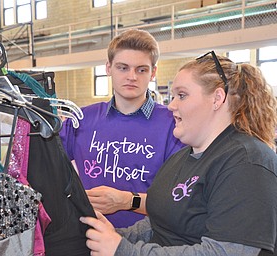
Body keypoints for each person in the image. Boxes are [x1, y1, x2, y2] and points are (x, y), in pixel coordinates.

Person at [79, 51, 277, 255]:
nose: (171, 105)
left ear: (217, 98)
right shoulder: (183, 157)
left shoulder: (247, 163)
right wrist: (117, 236)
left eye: (182, 95)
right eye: (173, 96)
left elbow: (224, 252)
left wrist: (124, 250)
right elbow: (160, 223)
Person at [59, 29, 184, 228]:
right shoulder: (81, 120)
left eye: (141, 69)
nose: (132, 76)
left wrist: (126, 200)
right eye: (123, 68)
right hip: (89, 237)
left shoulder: (173, 124)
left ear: (153, 72)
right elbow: (48, 168)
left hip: (150, 241)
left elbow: (180, 199)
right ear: (108, 68)